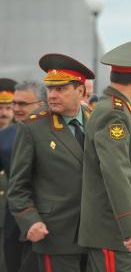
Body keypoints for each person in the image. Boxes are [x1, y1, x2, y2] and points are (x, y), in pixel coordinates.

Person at [78, 39, 131, 272]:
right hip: (112, 231)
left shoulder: (120, 109)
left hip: (115, 230)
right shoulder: (114, 114)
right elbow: (116, 172)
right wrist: (130, 225)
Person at [7, 54, 95, 271]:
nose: (53, 95)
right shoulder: (33, 126)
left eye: (61, 89)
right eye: (50, 89)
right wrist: (30, 220)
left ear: (81, 91)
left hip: (97, 235)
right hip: (55, 236)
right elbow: (18, 187)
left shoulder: (97, 120)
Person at [0, 80, 46, 272]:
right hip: (14, 219)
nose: (16, 109)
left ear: (41, 105)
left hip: (47, 219)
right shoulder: (5, 136)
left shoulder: (57, 133)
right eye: (14, 104)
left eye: (23, 104)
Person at [0, 78, 17, 270]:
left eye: (7, 107)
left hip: (11, 212)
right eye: (0, 107)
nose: (3, 112)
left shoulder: (21, 135)